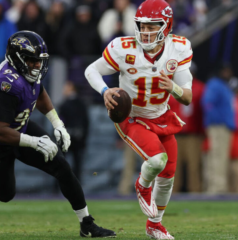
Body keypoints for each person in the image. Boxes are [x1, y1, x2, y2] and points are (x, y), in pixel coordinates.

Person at [0, 31, 116, 238]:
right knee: (4, 193)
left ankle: (86, 224)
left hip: (17, 128)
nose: (37, 65)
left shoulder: (25, 72)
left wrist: (58, 124)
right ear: (16, 58)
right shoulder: (7, 83)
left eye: (39, 61)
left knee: (62, 167)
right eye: (32, 60)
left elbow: (39, 93)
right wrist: (34, 142)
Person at [85, 0, 193, 238]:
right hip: (131, 117)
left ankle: (154, 225)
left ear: (167, 26)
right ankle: (142, 186)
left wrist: (172, 87)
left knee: (168, 174)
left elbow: (187, 97)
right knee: (157, 160)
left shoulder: (179, 47)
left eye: (152, 26)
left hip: (161, 115)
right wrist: (105, 91)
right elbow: (91, 70)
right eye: (142, 26)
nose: (145, 32)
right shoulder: (123, 47)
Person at [168, 64, 204, 193]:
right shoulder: (171, 86)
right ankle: (172, 194)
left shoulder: (200, 88)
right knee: (173, 167)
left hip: (193, 135)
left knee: (194, 167)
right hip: (174, 134)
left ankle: (195, 193)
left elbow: (204, 111)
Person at [201, 63, 236, 194]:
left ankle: (218, 186)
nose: (228, 74)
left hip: (224, 126)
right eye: (225, 71)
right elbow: (207, 104)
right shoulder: (215, 84)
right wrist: (216, 121)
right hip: (218, 126)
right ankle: (217, 187)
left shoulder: (223, 86)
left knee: (220, 157)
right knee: (217, 156)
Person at [58, 81, 89, 183]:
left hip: (66, 138)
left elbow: (60, 122)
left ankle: (59, 187)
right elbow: (86, 123)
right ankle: (76, 186)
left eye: (66, 87)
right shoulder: (82, 104)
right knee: (77, 165)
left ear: (71, 88)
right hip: (78, 138)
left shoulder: (64, 105)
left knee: (61, 164)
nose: (64, 89)